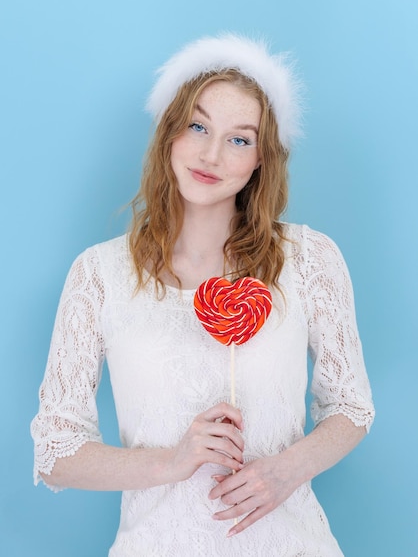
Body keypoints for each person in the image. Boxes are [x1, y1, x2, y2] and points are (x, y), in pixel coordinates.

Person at [31, 34, 375, 556]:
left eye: (240, 139)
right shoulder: (98, 274)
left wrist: (285, 472)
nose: (212, 154)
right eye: (198, 126)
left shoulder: (309, 260)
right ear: (171, 132)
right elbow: (56, 451)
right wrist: (173, 461)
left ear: (262, 159)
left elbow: (351, 406)